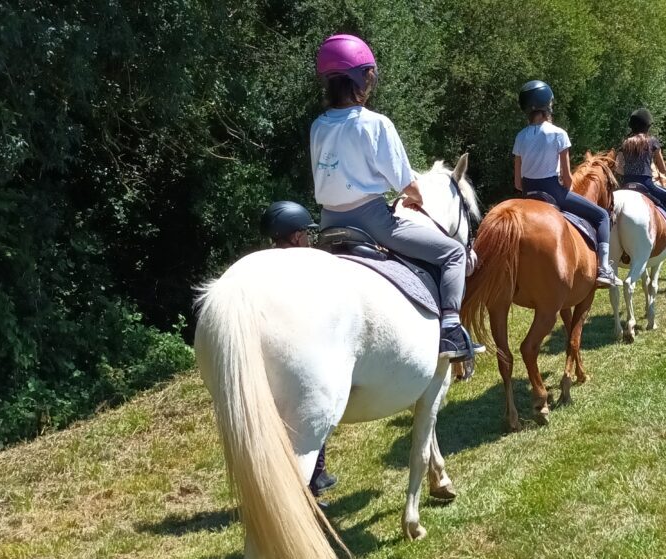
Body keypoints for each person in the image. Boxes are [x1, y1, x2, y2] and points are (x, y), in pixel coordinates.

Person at [310, 33, 481, 361]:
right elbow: (406, 183)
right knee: (453, 254)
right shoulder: (374, 124)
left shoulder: (318, 125)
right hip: (372, 220)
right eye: (369, 76)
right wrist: (416, 196)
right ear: (361, 77)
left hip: (328, 222)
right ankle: (450, 331)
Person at [259, 201, 338, 503]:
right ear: (294, 237)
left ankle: (315, 475)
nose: (308, 238)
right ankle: (309, 486)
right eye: (305, 233)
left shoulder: (264, 264)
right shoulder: (302, 265)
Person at [512, 80, 620, 288]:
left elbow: (517, 182)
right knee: (602, 216)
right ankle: (604, 269)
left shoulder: (520, 136)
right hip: (554, 193)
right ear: (547, 105)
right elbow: (568, 178)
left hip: (527, 194)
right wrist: (566, 187)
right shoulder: (558, 134)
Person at [617, 108, 666, 253]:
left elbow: (618, 168)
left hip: (626, 184)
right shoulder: (652, 141)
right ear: (647, 126)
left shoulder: (625, 142)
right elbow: (662, 168)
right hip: (646, 184)